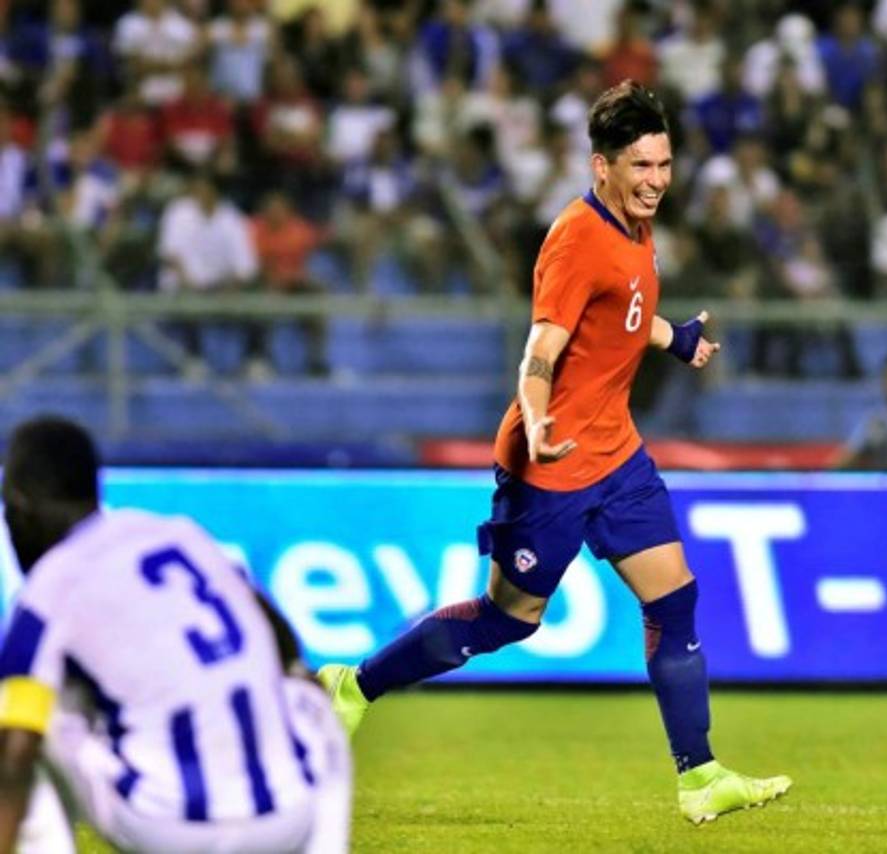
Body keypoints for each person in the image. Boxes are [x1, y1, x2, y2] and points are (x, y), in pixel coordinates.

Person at [319, 80, 791, 825]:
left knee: (674, 599)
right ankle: (352, 687)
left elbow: (623, 314)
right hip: (553, 463)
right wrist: (538, 421)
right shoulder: (576, 238)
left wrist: (675, 339)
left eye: (664, 164)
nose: (657, 181)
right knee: (509, 619)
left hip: (618, 457)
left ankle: (700, 775)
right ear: (602, 166)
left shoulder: (635, 228)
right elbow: (541, 347)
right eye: (641, 166)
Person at [0, 416, 350, 852]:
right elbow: (273, 631)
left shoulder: (48, 590)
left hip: (167, 827)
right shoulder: (178, 536)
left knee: (29, 714)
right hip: (287, 818)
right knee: (309, 696)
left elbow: (14, 758)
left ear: (18, 505)